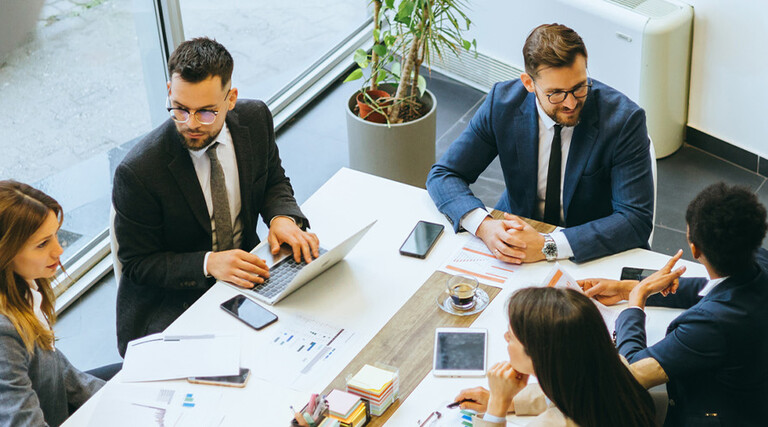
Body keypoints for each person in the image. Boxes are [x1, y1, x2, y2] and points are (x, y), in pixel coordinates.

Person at [112, 37, 319, 356]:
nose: (191, 124)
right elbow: (138, 264)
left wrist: (282, 218)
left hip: (247, 276)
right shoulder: (139, 171)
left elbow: (272, 179)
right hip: (176, 301)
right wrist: (209, 263)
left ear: (231, 98)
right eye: (180, 109)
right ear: (169, 91)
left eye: (206, 113)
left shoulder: (255, 118)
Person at [426, 23, 653, 265]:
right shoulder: (502, 104)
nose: (571, 103)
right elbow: (445, 174)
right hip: (519, 233)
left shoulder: (624, 120)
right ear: (528, 84)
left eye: (579, 87)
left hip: (589, 247)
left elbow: (635, 219)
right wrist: (484, 226)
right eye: (556, 93)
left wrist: (549, 246)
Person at [579, 183, 768, 426]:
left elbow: (634, 369)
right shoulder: (758, 260)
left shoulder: (710, 325)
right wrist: (628, 288)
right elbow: (718, 287)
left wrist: (635, 306)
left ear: (694, 248)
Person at [455, 287, 655, 426]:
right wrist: (511, 401)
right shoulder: (613, 367)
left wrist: (498, 404)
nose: (505, 337)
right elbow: (571, 393)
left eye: (512, 337)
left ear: (540, 355)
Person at [0, 181, 110, 426]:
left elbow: (55, 365)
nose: (59, 250)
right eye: (42, 244)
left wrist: (117, 401)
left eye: (55, 236)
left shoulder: (24, 286)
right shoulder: (4, 333)